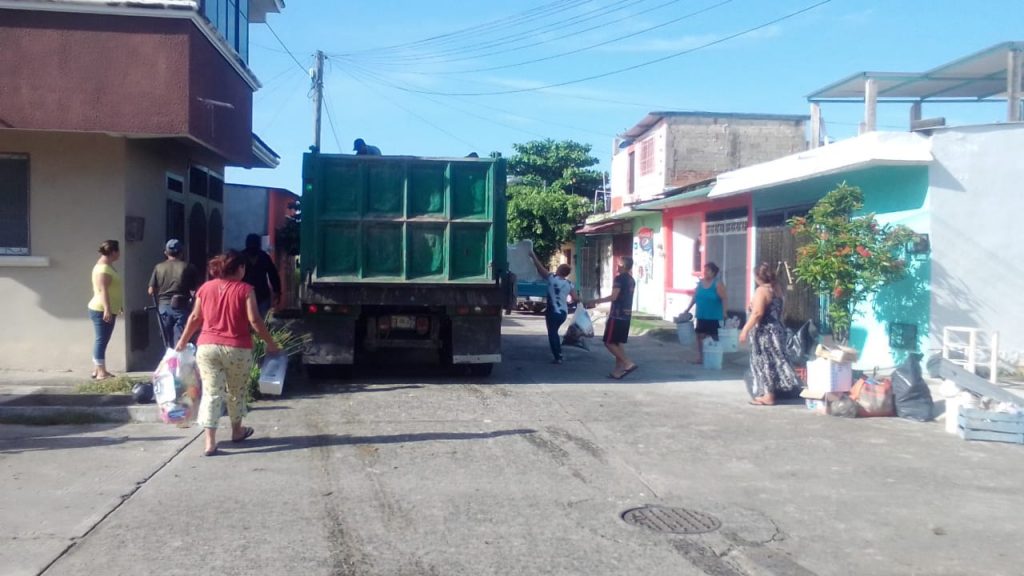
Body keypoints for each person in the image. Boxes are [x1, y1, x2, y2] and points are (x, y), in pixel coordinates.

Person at [176, 250, 280, 456]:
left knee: (211, 392)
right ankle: (236, 431)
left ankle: (210, 442)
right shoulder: (245, 290)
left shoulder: (205, 289)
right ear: (239, 268)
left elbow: (196, 317)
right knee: (236, 391)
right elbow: (255, 320)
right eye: (243, 267)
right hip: (237, 348)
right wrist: (270, 343)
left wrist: (182, 341)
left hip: (206, 347)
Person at [740, 263, 801, 406]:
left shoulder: (761, 290)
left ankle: (768, 395)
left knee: (764, 361)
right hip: (778, 329)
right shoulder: (777, 289)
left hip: (765, 332)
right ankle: (780, 389)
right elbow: (779, 310)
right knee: (777, 360)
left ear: (757, 277)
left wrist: (745, 330)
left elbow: (757, 313)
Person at [585, 256, 637, 379]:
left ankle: (627, 363)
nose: (617, 266)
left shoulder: (619, 278)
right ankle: (617, 371)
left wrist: (596, 300)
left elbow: (614, 297)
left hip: (617, 315)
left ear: (623, 266)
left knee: (608, 342)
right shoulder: (631, 280)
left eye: (618, 264)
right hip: (626, 314)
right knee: (617, 342)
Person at [528, 250, 578, 364]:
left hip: (552, 312)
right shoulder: (569, 284)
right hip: (563, 313)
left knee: (552, 333)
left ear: (559, 270)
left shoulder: (551, 278)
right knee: (554, 332)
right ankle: (558, 354)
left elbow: (540, 268)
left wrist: (533, 256)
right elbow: (575, 299)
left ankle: (558, 356)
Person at [148, 239, 200, 348]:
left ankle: (169, 362)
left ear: (166, 253)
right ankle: (178, 363)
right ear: (181, 252)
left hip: (163, 308)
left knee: (166, 341)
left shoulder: (158, 267)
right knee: (180, 340)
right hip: (181, 307)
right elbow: (196, 290)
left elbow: (151, 290)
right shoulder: (188, 267)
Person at [87, 240, 123, 380]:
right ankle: (101, 371)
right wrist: (107, 309)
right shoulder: (103, 269)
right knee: (101, 340)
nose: (119, 254)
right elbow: (103, 290)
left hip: (107, 308)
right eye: (118, 251)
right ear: (113, 252)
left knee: (102, 339)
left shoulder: (107, 266)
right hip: (101, 309)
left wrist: (116, 306)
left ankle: (97, 369)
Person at [683, 262, 728, 364]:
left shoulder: (718, 284)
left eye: (708, 270)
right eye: (704, 270)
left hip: (713, 316)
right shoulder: (700, 283)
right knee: (699, 336)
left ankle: (715, 356)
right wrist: (687, 309)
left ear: (713, 273)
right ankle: (701, 357)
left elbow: (724, 298)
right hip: (701, 314)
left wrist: (724, 312)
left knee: (714, 336)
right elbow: (695, 297)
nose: (705, 272)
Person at [242, 233, 282, 318]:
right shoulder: (240, 258)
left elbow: (273, 274)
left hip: (262, 295)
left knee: (262, 321)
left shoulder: (264, 257)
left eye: (254, 244)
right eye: (251, 244)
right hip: (244, 296)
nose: (253, 247)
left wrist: (277, 291)